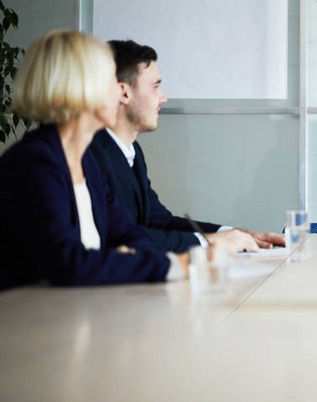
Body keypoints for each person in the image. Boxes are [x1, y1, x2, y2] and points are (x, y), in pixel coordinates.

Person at [0, 31, 185, 289]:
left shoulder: (87, 161)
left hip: (78, 310)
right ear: (82, 88)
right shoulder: (34, 162)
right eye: (112, 80)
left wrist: (137, 256)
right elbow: (68, 264)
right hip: (28, 320)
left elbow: (129, 233)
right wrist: (172, 266)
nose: (122, 90)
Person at [89, 40, 285, 254]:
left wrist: (232, 233)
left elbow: (159, 222)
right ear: (124, 93)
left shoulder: (132, 151)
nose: (163, 98)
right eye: (155, 86)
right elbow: (120, 239)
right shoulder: (91, 154)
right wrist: (210, 242)